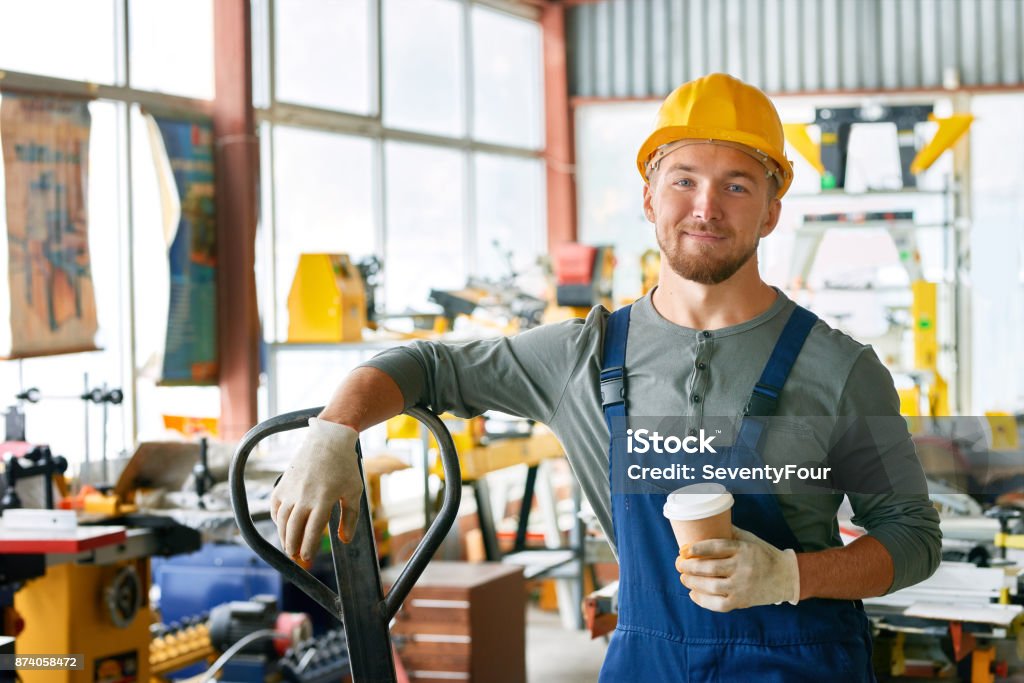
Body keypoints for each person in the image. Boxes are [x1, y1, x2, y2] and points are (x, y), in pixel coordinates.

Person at [271, 73, 941, 681]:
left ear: (770, 209)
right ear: (650, 199)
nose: (706, 206)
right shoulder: (582, 359)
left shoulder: (843, 369)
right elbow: (426, 364)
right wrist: (334, 428)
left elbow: (912, 538)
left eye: (737, 183)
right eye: (683, 179)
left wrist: (790, 574)